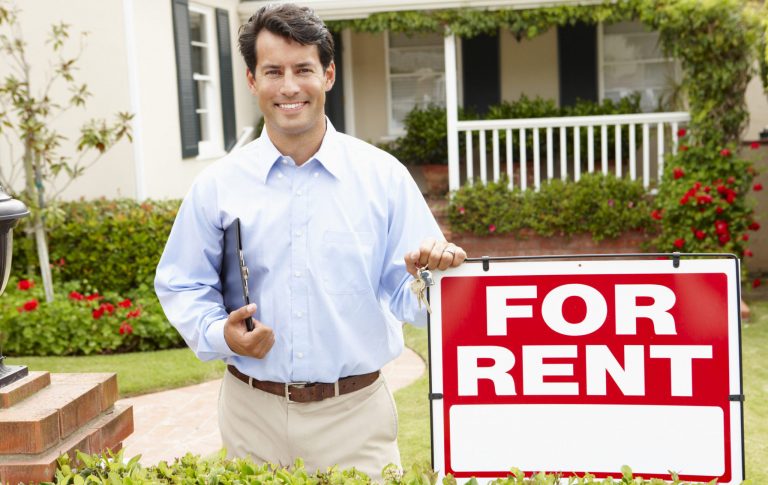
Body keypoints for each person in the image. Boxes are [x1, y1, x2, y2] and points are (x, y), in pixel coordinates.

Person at [154, 3, 467, 480]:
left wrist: (432, 277)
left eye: (303, 69)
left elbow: (413, 299)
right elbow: (181, 283)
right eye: (273, 71)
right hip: (249, 415)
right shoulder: (218, 186)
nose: (289, 86)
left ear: (328, 74)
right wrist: (221, 334)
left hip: (354, 419)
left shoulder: (382, 178)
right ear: (252, 80)